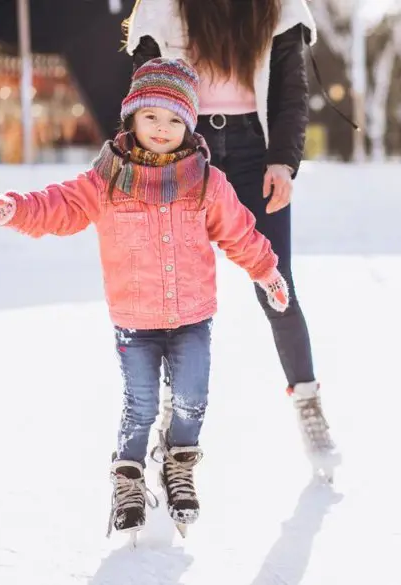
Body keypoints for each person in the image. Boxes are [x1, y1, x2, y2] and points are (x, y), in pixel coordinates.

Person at [0, 58, 290, 536]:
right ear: (132, 118)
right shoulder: (106, 180)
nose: (162, 129)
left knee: (191, 398)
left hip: (192, 316)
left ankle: (179, 463)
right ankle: (128, 476)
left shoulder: (205, 181)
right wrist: (16, 208)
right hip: (135, 320)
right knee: (140, 404)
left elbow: (239, 233)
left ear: (189, 124)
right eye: (152, 117)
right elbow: (60, 206)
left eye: (175, 120)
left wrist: (266, 270)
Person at [123, 0, 340, 479]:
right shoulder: (161, 6)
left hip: (253, 151)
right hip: (184, 146)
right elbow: (144, 82)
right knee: (170, 287)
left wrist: (283, 161)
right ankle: (168, 410)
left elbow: (291, 92)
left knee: (276, 284)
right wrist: (146, 155)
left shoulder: (279, 8)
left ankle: (306, 399)